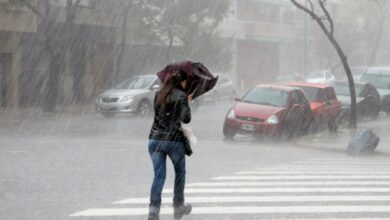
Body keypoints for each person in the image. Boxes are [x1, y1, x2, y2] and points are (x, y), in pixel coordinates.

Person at [148, 70, 192, 220]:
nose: (187, 85)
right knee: (180, 173)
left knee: (159, 175)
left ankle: (154, 209)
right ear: (182, 82)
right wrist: (187, 102)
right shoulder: (182, 96)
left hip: (155, 139)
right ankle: (178, 206)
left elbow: (158, 114)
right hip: (173, 141)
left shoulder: (158, 94)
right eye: (186, 82)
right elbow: (186, 119)